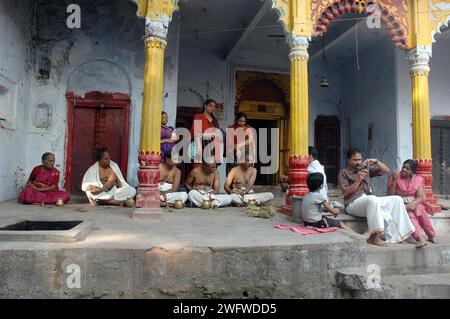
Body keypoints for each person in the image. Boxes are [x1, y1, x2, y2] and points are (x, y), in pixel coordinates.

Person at [338, 148, 415, 247]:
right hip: (353, 203)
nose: (358, 162)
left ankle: (398, 235)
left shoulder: (366, 169)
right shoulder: (344, 173)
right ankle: (373, 237)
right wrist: (357, 180)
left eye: (359, 159)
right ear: (348, 160)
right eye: (355, 160)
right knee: (373, 199)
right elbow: (345, 193)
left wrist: (376, 161)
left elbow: (385, 170)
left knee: (397, 199)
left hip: (369, 200)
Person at [387, 159, 436, 248]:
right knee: (410, 215)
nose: (404, 170)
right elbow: (389, 195)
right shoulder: (394, 177)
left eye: (407, 169)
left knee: (420, 210)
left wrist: (414, 203)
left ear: (412, 172)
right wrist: (394, 182)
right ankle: (419, 238)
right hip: (399, 205)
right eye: (403, 167)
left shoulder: (418, 179)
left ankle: (431, 235)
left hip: (414, 202)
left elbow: (420, 197)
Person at [190, 99, 222, 165]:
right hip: (200, 145)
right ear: (205, 106)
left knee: (211, 169)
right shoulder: (198, 116)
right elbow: (197, 133)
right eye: (210, 106)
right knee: (198, 169)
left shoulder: (215, 120)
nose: (212, 108)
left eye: (214, 107)